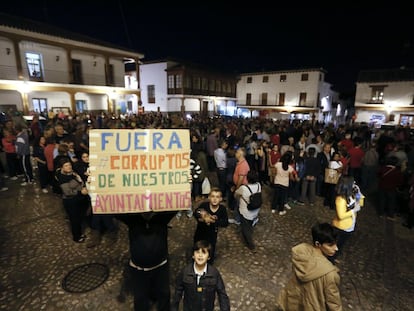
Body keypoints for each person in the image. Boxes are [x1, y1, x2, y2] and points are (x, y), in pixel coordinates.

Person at [116, 211, 177, 311]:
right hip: (139, 269)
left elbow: (178, 204)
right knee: (140, 297)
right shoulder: (132, 219)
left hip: (160, 267)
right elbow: (113, 211)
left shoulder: (162, 217)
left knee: (164, 294)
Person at [277, 222, 342, 311]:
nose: (336, 248)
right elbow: (333, 302)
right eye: (330, 245)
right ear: (318, 244)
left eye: (335, 244)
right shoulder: (330, 274)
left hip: (293, 300)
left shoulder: (301, 254)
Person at [172, 240, 230, 311]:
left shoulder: (214, 273)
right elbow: (177, 293)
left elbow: (222, 294)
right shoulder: (185, 272)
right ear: (193, 255)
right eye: (197, 252)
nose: (200, 255)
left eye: (204, 252)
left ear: (209, 257)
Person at [56, 158, 89, 243]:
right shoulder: (62, 177)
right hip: (71, 201)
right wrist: (80, 192)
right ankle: (77, 237)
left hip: (78, 199)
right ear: (61, 168)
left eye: (69, 165)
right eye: (66, 166)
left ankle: (79, 233)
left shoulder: (72, 173)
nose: (69, 167)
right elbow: (67, 192)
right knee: (74, 220)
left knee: (79, 217)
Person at [331, 176, 363, 263]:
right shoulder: (340, 199)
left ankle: (334, 257)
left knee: (341, 244)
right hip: (341, 227)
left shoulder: (350, 194)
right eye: (353, 183)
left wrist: (359, 195)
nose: (354, 184)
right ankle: (330, 260)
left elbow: (360, 204)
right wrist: (353, 211)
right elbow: (341, 215)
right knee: (335, 245)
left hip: (350, 225)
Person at [193, 187, 229, 264]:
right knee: (197, 250)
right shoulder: (204, 205)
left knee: (210, 251)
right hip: (200, 233)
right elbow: (196, 212)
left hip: (212, 235)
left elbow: (225, 222)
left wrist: (214, 221)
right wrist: (202, 215)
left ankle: (208, 267)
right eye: (213, 196)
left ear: (221, 199)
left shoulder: (222, 209)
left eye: (217, 197)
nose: (215, 199)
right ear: (209, 197)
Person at [234, 170, 261, 251]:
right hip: (255, 210)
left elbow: (236, 194)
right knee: (250, 224)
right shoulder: (259, 185)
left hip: (246, 211)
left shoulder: (244, 188)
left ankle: (251, 245)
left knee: (246, 229)